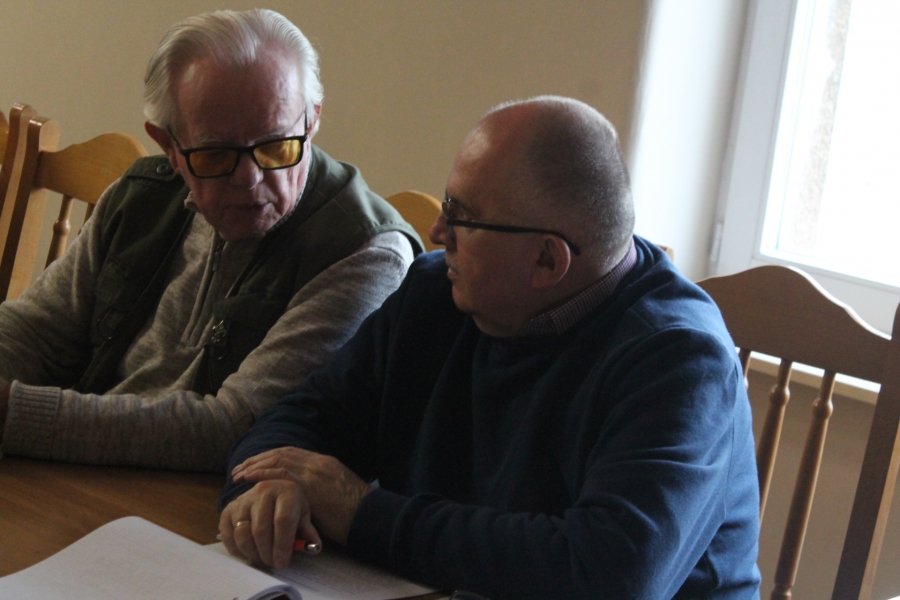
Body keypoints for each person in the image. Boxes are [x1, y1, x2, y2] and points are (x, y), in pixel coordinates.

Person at [218, 96, 761, 599]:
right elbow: (300, 420)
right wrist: (270, 495)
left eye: (461, 215)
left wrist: (363, 514)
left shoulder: (680, 361)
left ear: (547, 259)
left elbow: (609, 574)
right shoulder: (434, 294)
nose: (437, 232)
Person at [0, 9, 422, 472]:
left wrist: (14, 414)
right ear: (169, 146)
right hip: (81, 470)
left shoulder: (363, 254)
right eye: (216, 154)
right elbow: (35, 331)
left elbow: (233, 428)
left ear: (311, 121)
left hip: (210, 499)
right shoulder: (141, 194)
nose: (250, 178)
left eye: (276, 146)